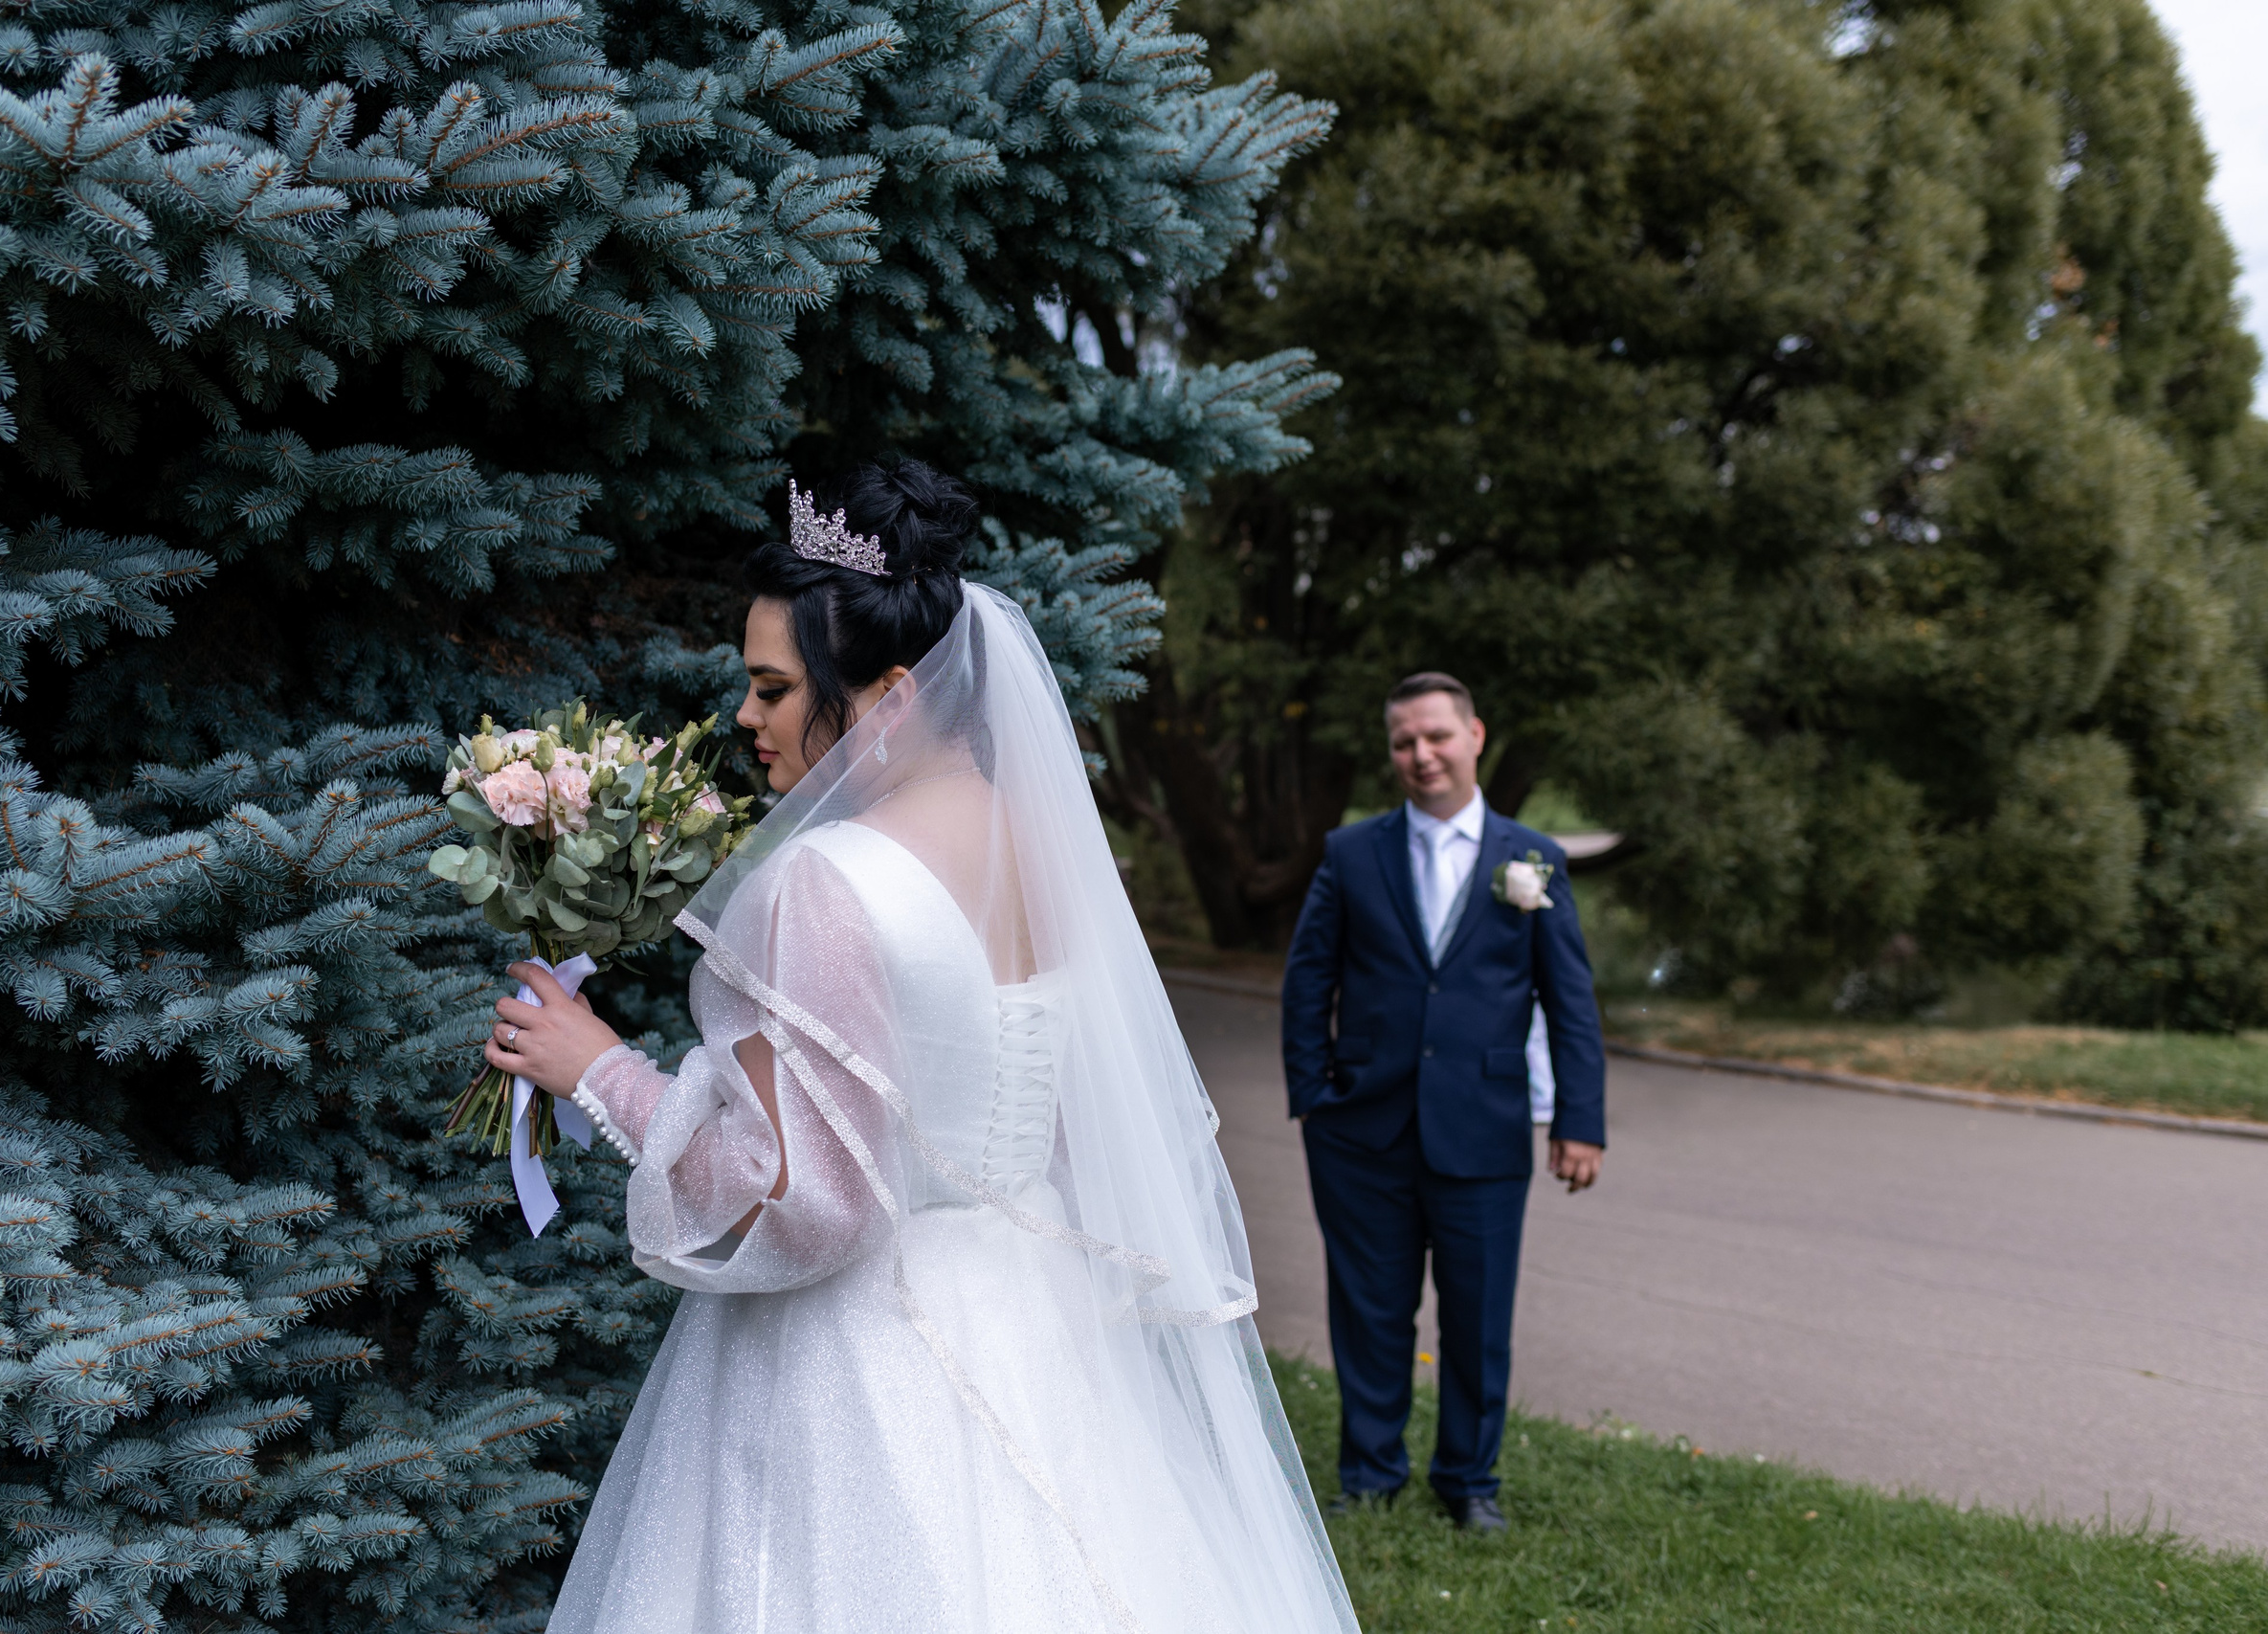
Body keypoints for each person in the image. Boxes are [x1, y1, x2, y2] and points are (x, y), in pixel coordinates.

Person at [485, 462, 1359, 1634]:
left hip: (858, 1358)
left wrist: (597, 1069)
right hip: (1030, 1316)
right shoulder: (1036, 847)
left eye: (773, 689)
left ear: (889, 697)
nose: (746, 719)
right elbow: (1055, 1119)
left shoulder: (823, 882)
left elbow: (807, 1202)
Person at [1280, 671, 1606, 1532]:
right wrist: (1312, 1093)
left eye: (1435, 736)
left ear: (1475, 736)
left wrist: (1580, 1120)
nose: (1420, 755)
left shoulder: (1531, 860)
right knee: (1371, 1312)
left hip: (1486, 1130)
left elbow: (1570, 999)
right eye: (1402, 741)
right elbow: (1308, 978)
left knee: (1477, 1319)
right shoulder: (1351, 854)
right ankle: (1371, 1473)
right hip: (1361, 1131)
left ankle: (1469, 1481)